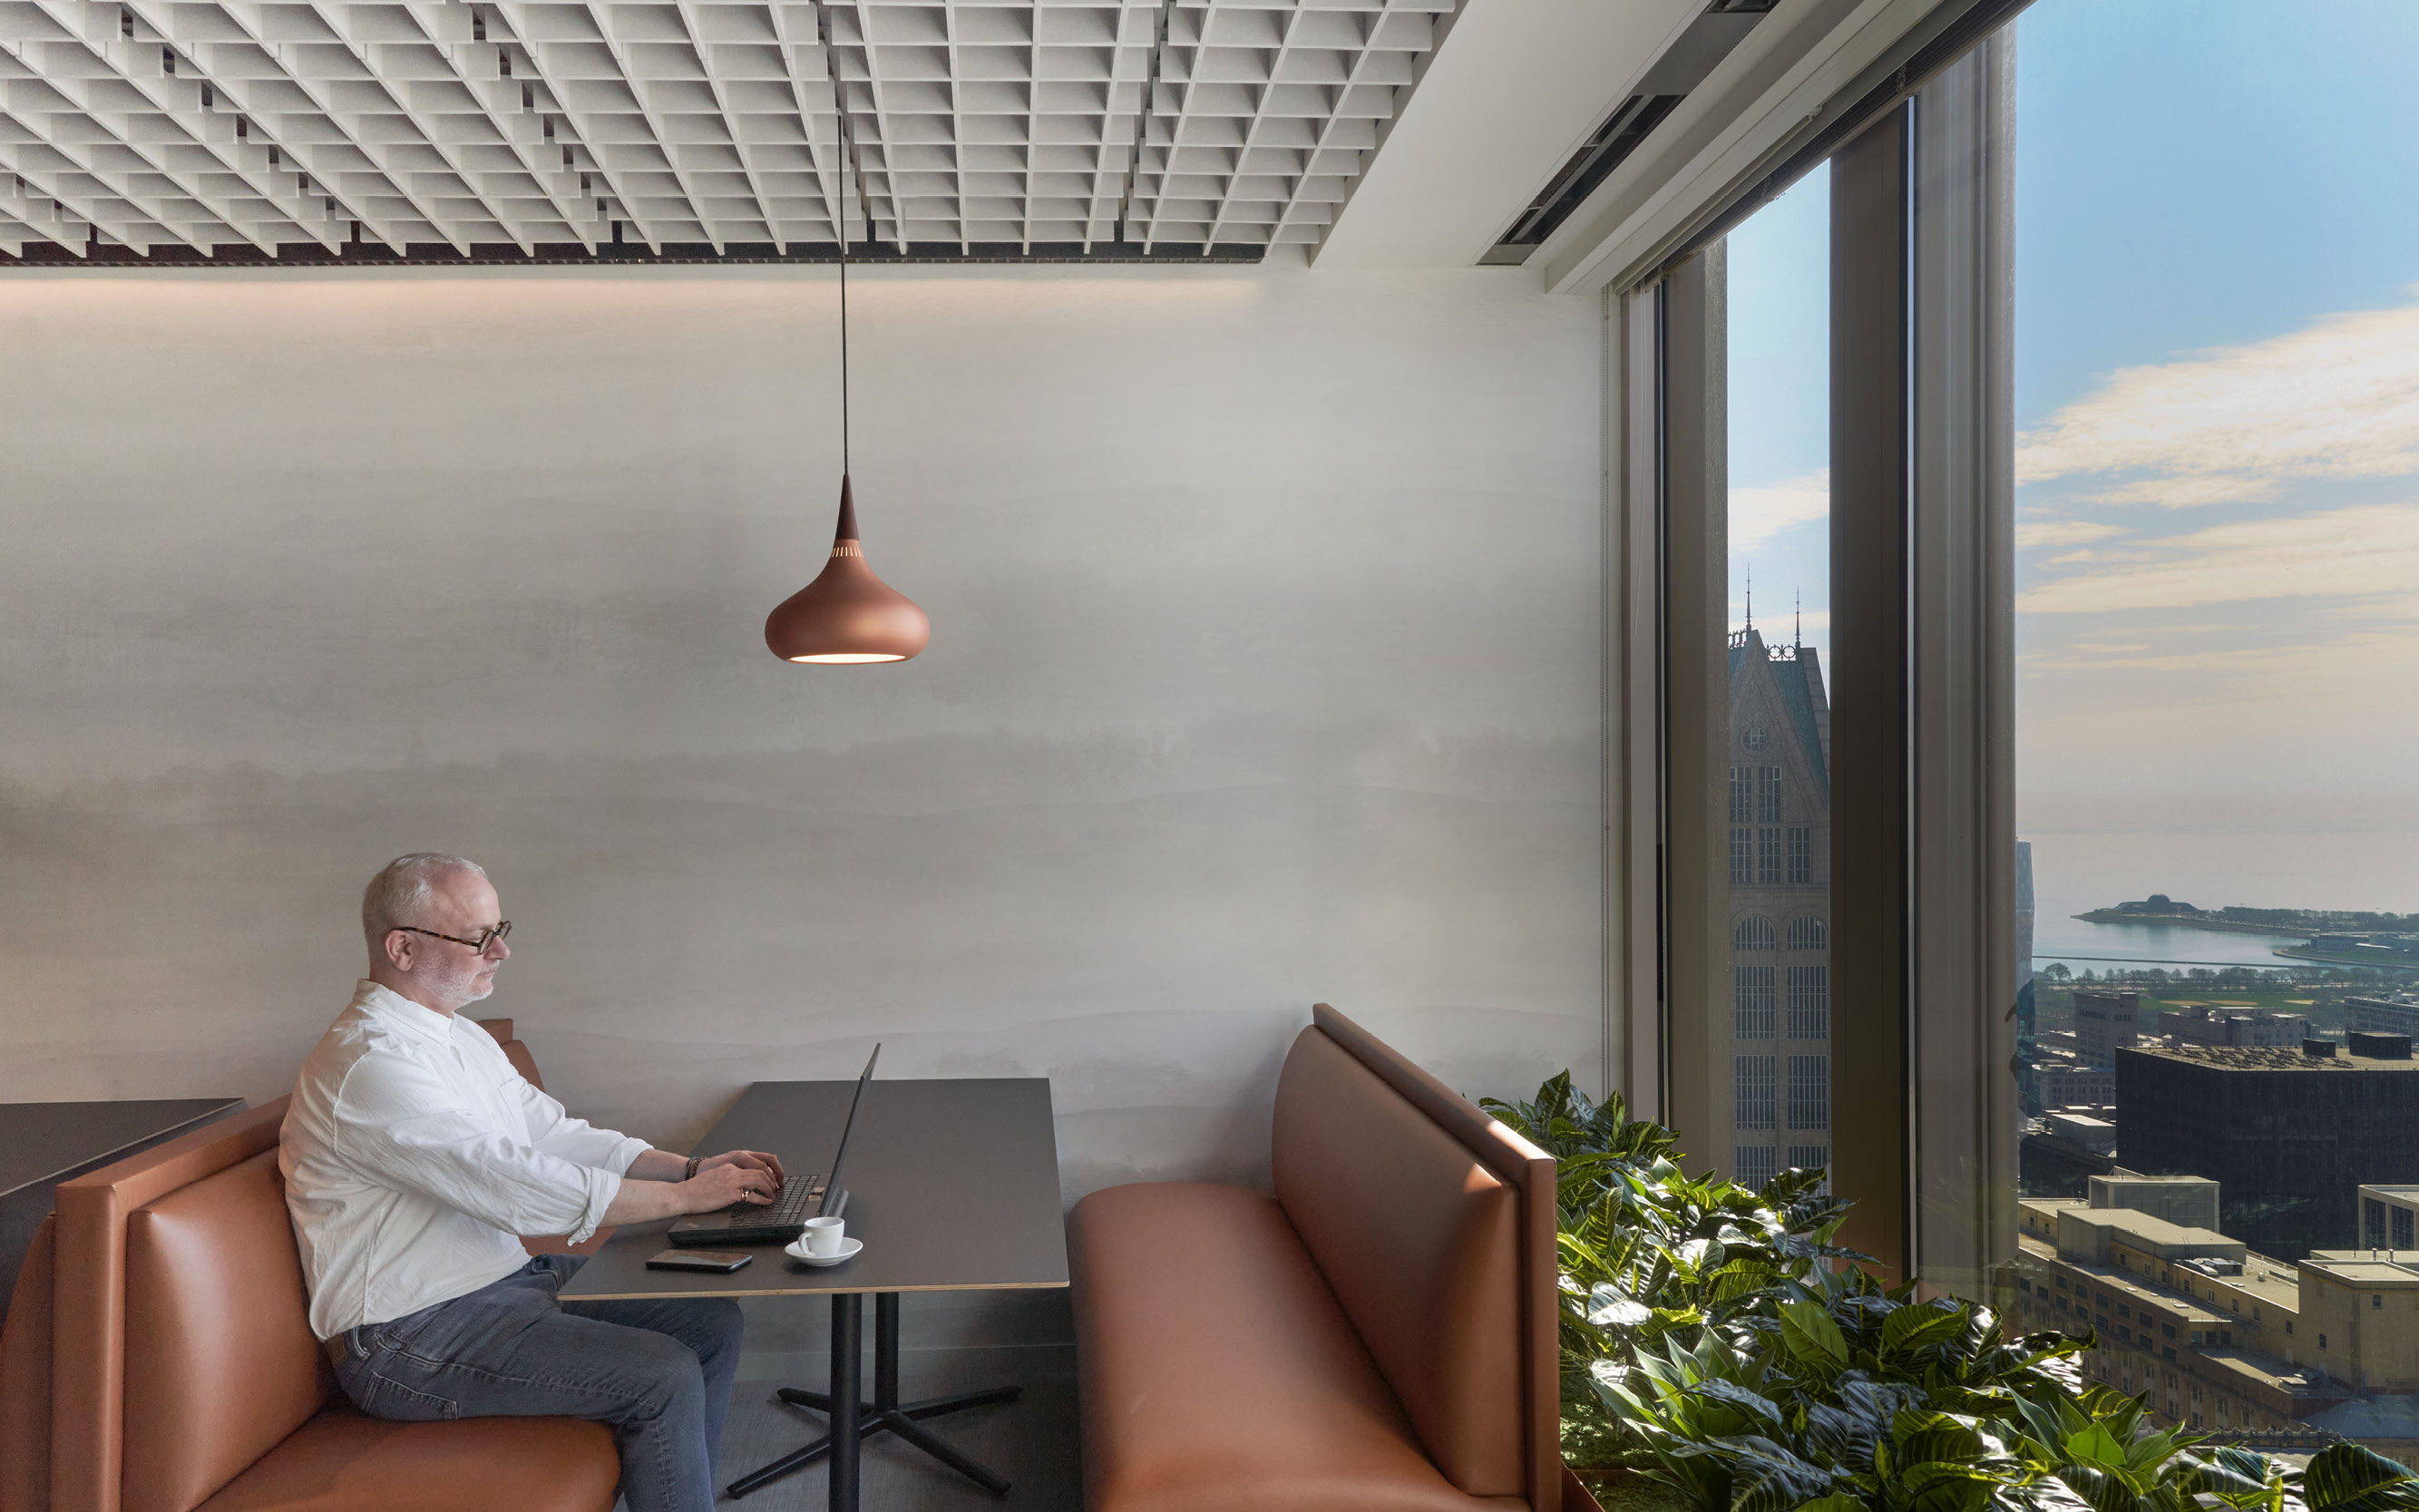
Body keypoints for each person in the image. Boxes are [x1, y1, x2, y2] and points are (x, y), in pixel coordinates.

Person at [281, 852, 781, 1512]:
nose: (501, 951)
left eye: (500, 930)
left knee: (709, 1321)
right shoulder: (369, 1062)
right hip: (408, 1338)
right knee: (662, 1375)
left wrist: (688, 1168)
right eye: (478, 937)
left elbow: (552, 1135)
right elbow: (515, 1184)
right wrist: (686, 1199)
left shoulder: (459, 1038)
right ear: (402, 947)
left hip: (503, 1289)